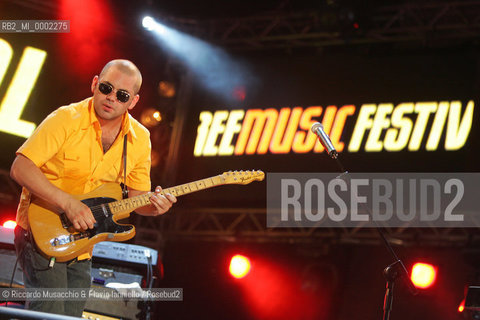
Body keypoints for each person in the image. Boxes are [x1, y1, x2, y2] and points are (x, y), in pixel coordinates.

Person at [10, 59, 177, 317]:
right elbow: (20, 167)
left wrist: (156, 208)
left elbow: (137, 199)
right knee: (50, 314)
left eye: (121, 95)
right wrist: (67, 203)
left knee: (71, 315)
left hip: (83, 244)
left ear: (133, 101)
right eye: (106, 88)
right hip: (41, 231)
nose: (111, 98)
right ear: (95, 84)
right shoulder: (66, 118)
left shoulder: (140, 138)